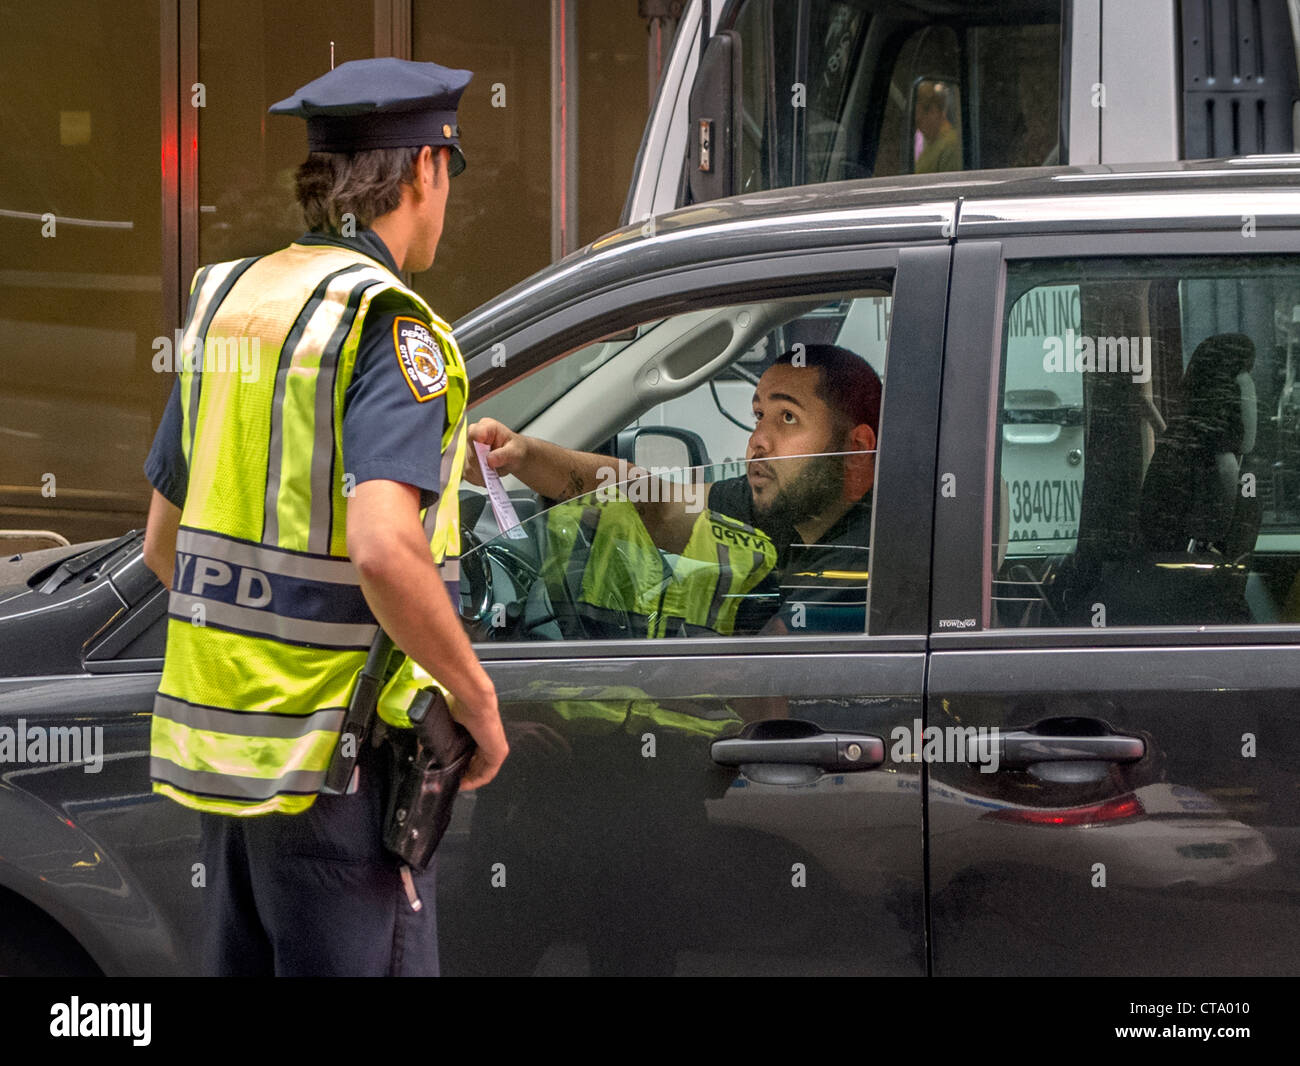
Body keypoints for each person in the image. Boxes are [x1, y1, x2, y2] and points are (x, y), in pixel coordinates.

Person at [140, 57, 507, 977]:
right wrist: (478, 699)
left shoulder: (231, 303)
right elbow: (385, 547)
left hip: (229, 774)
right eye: (447, 173)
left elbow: (163, 545)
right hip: (339, 776)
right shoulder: (391, 326)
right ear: (424, 168)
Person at [468, 343, 880, 635]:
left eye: (787, 417)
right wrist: (522, 456)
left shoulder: (871, 561)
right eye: (759, 415)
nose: (758, 440)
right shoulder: (785, 507)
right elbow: (652, 502)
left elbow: (770, 690)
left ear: (858, 449)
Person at [914, 80, 962, 174]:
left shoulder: (951, 146)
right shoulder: (931, 143)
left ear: (933, 111)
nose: (919, 128)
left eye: (919, 121)